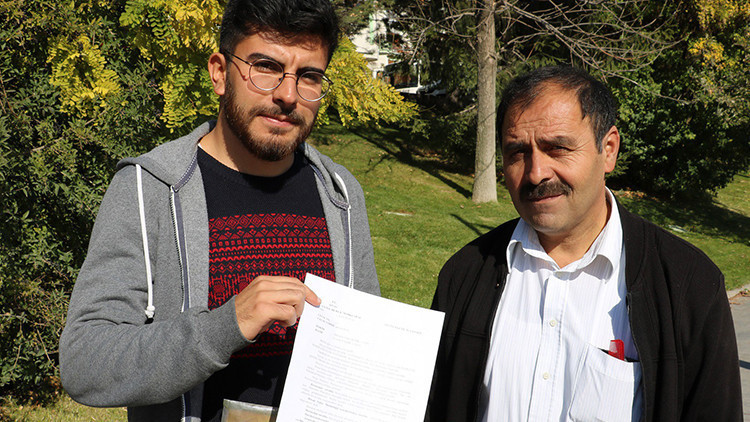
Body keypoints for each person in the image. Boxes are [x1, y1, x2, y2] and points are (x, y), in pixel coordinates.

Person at [59, 0, 380, 420]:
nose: (287, 95)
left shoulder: (340, 195)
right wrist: (228, 325)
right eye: (266, 67)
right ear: (219, 73)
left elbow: (366, 351)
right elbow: (85, 362)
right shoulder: (149, 189)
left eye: (309, 76)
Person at [427, 66, 741, 421]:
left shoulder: (688, 286)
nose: (536, 173)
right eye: (518, 152)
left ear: (608, 150)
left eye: (558, 148)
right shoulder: (465, 276)